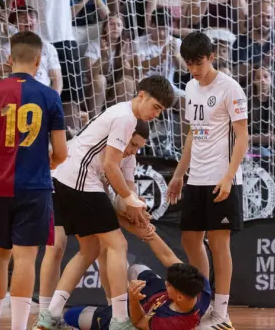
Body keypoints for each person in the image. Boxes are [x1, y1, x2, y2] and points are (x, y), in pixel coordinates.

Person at [40, 76, 175, 330]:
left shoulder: (126, 129)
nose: (156, 114)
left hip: (68, 178)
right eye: (156, 107)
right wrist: (131, 203)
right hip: (77, 178)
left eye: (161, 111)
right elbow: (111, 167)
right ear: (142, 95)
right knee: (116, 244)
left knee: (90, 249)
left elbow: (126, 188)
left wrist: (136, 209)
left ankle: (51, 315)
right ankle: (119, 319)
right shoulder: (126, 118)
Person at [0, 31, 69, 330]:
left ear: (9, 59)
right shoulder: (50, 96)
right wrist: (48, 162)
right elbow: (62, 152)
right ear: (39, 61)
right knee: (25, 259)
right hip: (35, 188)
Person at [166, 31, 248, 330]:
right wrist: (179, 174)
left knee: (218, 242)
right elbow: (194, 133)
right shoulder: (190, 86)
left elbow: (242, 137)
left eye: (198, 63)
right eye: (189, 64)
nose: (194, 69)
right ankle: (203, 303)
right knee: (189, 238)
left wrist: (228, 177)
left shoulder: (230, 88)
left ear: (211, 57)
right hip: (196, 177)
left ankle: (222, 313)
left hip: (221, 178)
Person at [58, 227, 211, 330]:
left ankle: (115, 310)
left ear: (179, 296)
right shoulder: (199, 284)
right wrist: (149, 231)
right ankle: (114, 302)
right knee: (136, 268)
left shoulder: (170, 324)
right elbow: (168, 256)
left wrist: (133, 300)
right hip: (157, 296)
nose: (166, 282)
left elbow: (139, 322)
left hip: (139, 313)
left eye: (169, 284)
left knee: (71, 315)